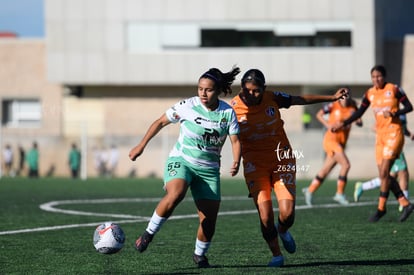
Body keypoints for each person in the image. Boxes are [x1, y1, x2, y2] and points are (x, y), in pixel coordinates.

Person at [230, 68, 349, 267]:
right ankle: (277, 255)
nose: (251, 94)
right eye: (247, 90)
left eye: (256, 91)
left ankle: (283, 230)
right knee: (265, 216)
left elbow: (300, 99)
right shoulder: (232, 108)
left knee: (287, 214)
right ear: (242, 87)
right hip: (254, 164)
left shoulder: (273, 98)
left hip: (281, 159)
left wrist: (332, 97)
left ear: (263, 89)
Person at [129, 66, 242, 268]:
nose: (203, 93)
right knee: (176, 193)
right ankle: (148, 233)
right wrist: (141, 145)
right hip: (182, 161)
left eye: (208, 90)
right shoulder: (187, 105)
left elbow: (235, 141)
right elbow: (160, 122)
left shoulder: (227, 113)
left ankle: (199, 255)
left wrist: (236, 161)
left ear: (217, 91)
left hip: (208, 171)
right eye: (200, 89)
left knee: (208, 221)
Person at [332, 65, 414, 222]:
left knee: (384, 172)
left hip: (394, 133)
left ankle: (381, 208)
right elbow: (359, 112)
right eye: (373, 77)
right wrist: (342, 123)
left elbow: (409, 107)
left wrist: (395, 113)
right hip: (380, 137)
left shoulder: (394, 89)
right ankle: (405, 204)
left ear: (384, 76)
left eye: (379, 76)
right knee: (384, 176)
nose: (376, 79)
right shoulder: (370, 93)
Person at [302, 94, 362, 206]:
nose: (344, 98)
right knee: (346, 165)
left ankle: (310, 190)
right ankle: (339, 194)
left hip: (341, 143)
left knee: (325, 170)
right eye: (342, 96)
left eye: (347, 96)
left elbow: (359, 122)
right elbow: (319, 114)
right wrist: (328, 125)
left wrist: (358, 121)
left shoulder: (352, 109)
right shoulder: (333, 106)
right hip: (331, 141)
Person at [354, 113, 414, 210]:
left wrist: (409, 134)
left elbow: (402, 128)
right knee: (403, 172)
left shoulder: (401, 112)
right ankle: (404, 203)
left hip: (397, 144)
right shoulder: (387, 110)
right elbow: (374, 127)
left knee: (390, 177)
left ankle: (363, 186)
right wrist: (387, 135)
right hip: (390, 145)